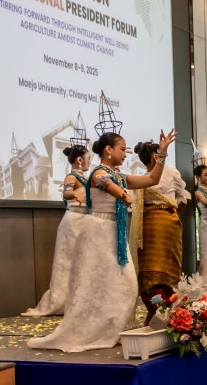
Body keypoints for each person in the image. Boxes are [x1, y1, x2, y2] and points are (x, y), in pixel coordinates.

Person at [29, 128, 176, 353]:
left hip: (114, 233)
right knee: (101, 283)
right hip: (98, 232)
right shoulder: (98, 172)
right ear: (108, 150)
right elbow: (106, 184)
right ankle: (101, 331)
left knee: (125, 284)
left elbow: (151, 179)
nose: (125, 153)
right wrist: (123, 195)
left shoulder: (120, 175)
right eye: (122, 149)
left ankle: (111, 330)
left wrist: (162, 153)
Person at [23, 144, 91, 317]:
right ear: (80, 160)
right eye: (88, 158)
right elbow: (66, 193)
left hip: (85, 221)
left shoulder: (87, 178)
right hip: (74, 222)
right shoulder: (72, 176)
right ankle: (62, 301)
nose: (90, 161)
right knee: (67, 262)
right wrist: (74, 194)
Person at [134, 141, 190, 322]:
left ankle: (163, 311)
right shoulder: (165, 173)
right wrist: (171, 213)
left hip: (155, 224)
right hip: (160, 223)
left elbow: (183, 197)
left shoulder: (149, 177)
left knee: (158, 268)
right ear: (155, 156)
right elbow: (182, 199)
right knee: (156, 268)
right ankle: (160, 310)